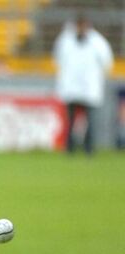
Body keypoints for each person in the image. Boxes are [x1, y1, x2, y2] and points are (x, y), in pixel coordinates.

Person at [53, 13, 113, 155]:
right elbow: (57, 59)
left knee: (90, 121)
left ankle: (88, 148)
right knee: (70, 119)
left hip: (90, 87)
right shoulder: (65, 39)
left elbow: (106, 62)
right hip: (71, 86)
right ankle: (69, 148)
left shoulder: (98, 42)